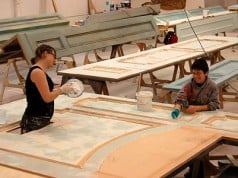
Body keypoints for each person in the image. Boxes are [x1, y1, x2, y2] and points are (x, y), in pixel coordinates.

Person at [171, 57, 220, 178]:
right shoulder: (189, 85)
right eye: (194, 73)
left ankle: (201, 171)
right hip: (191, 119)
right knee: (188, 146)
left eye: (199, 73)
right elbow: (180, 98)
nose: (196, 76)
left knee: (201, 147)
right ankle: (194, 169)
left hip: (206, 120)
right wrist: (177, 109)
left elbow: (215, 105)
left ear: (206, 73)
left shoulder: (212, 86)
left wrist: (197, 108)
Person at [20, 44, 74, 134]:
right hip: (35, 120)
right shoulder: (37, 72)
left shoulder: (40, 71)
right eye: (54, 56)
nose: (55, 60)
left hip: (41, 119)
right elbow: (47, 98)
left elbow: (40, 93)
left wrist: (63, 90)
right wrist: (61, 90)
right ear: (45, 54)